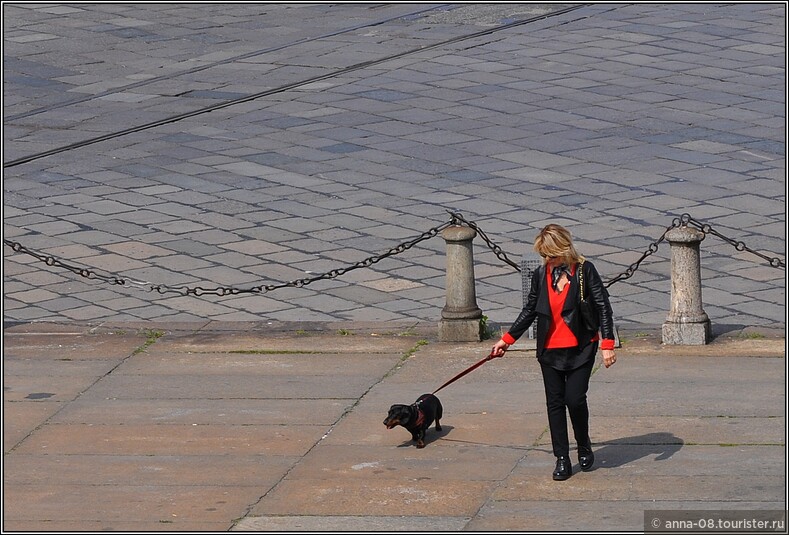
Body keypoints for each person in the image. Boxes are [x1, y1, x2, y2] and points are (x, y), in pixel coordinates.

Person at [491, 223, 616, 481]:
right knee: (555, 404)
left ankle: (583, 443)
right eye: (544, 255)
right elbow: (529, 310)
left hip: (581, 346)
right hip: (549, 350)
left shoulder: (584, 270)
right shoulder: (541, 274)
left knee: (575, 400)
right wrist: (507, 339)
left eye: (551, 255)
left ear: (563, 249)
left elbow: (603, 307)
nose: (547, 260)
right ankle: (561, 457)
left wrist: (607, 345)